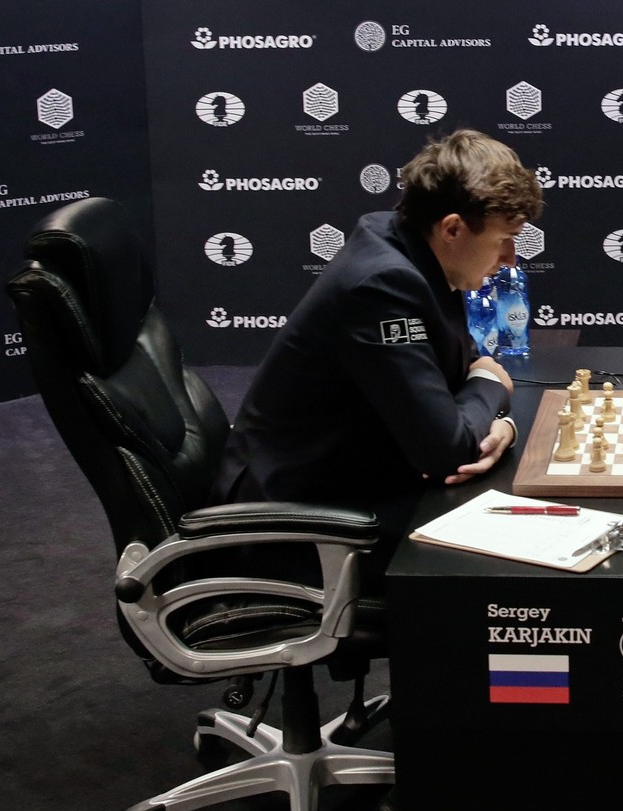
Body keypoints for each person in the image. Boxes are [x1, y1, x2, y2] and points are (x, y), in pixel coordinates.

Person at [213, 129, 545, 583]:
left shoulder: (415, 251)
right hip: (298, 520)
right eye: (503, 239)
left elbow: (463, 369)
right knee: (517, 555)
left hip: (357, 478)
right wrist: (492, 387)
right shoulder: (382, 286)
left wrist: (501, 422)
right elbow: (448, 448)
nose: (510, 259)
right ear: (452, 228)